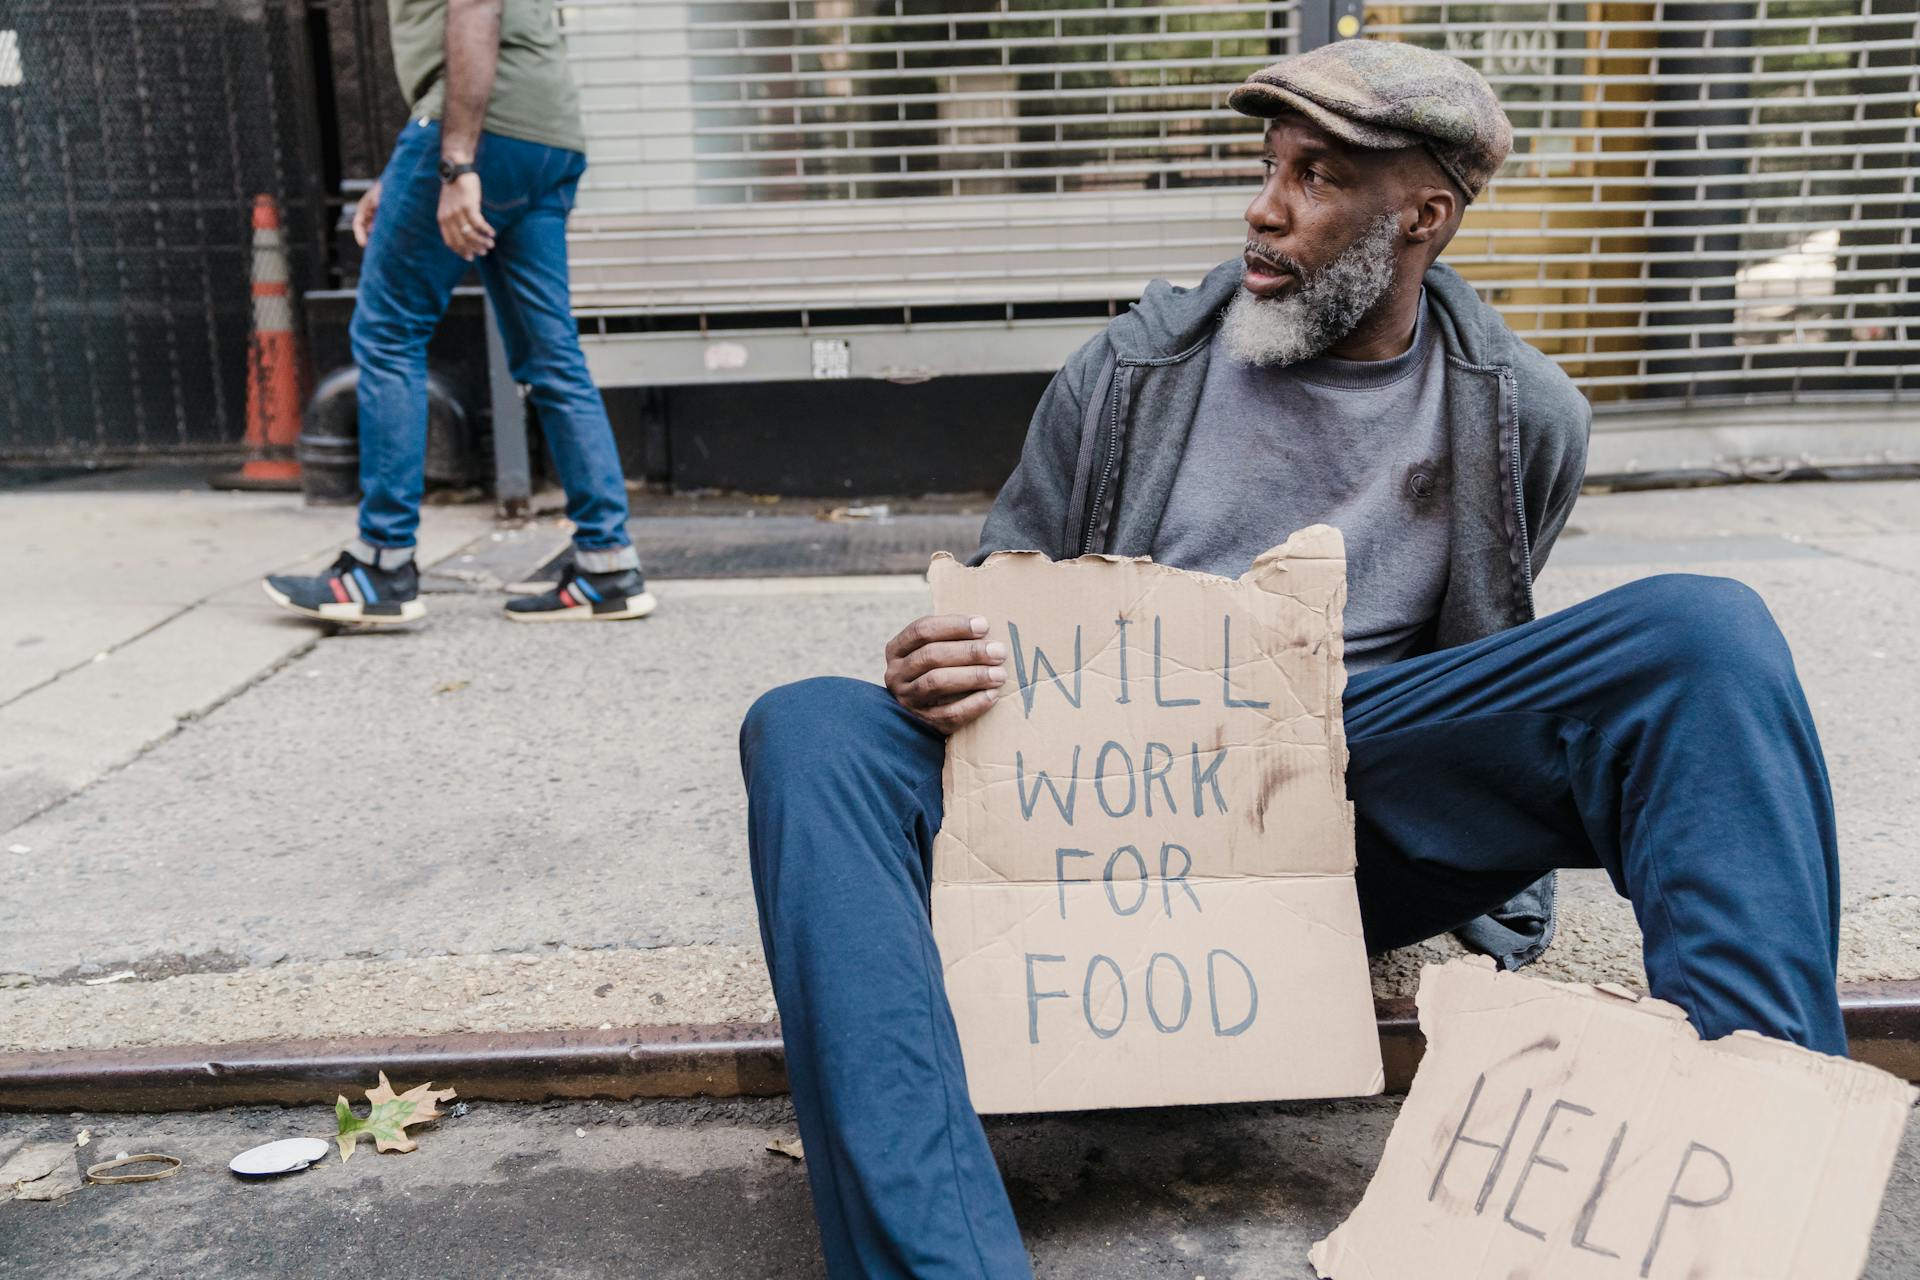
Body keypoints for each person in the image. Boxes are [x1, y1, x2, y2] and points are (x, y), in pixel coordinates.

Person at [739, 38, 1845, 1279]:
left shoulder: (1524, 409)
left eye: (1317, 178)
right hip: (1111, 815)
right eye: (1269, 166)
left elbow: (1487, 664)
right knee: (810, 727)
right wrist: (939, 667)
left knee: (1704, 632)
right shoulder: (1129, 371)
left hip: (1358, 799)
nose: (1265, 210)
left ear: (1422, 217)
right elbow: (1004, 615)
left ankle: (1760, 1191)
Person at [264, 0, 653, 626]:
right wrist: (409, 177)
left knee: (388, 332)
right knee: (551, 355)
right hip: (547, 138)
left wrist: (455, 164)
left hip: (481, 131)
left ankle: (382, 565)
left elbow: (476, 6)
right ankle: (607, 566)